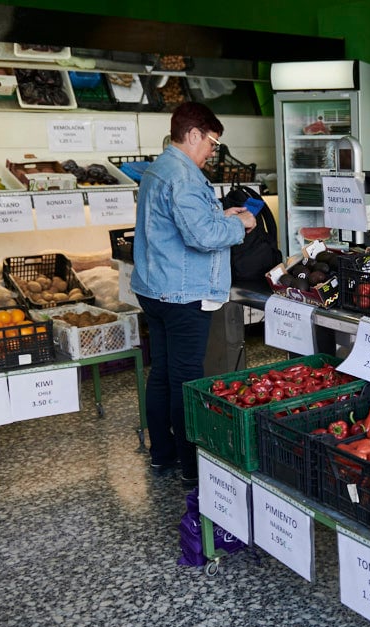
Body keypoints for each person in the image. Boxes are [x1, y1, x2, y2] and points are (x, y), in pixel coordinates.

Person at [132, 102, 256, 488]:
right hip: (182, 293)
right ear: (193, 135)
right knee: (186, 379)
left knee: (163, 373)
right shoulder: (183, 176)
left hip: (155, 288)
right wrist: (241, 224)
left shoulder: (159, 168)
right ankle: (191, 467)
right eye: (212, 144)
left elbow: (182, 222)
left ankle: (162, 455)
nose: (212, 153)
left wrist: (221, 215)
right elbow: (201, 236)